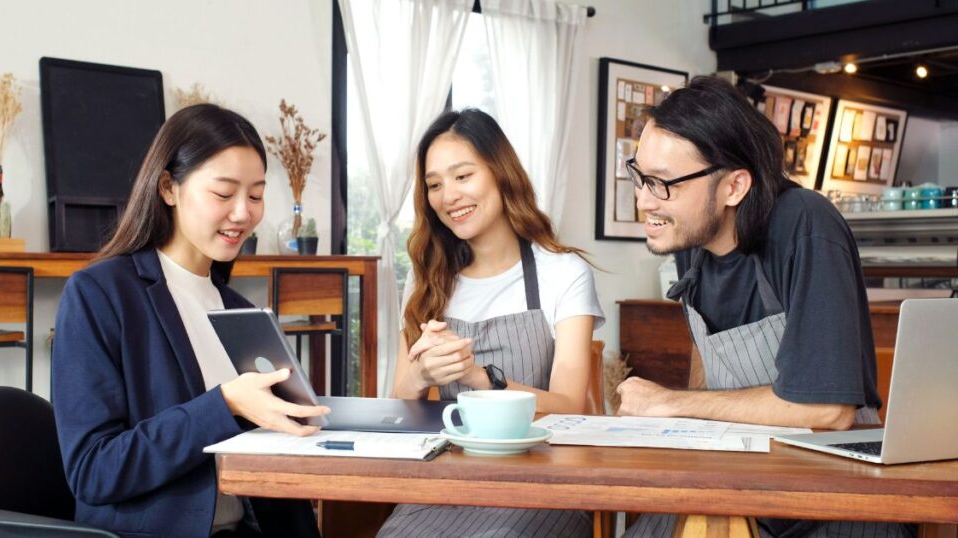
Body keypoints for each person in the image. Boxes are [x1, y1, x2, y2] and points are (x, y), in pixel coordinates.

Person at [617, 76, 914, 538]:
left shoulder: (805, 226)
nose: (644, 200)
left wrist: (672, 402)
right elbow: (707, 355)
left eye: (662, 184)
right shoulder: (689, 236)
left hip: (838, 496)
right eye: (639, 175)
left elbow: (828, 410)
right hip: (741, 478)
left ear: (734, 186)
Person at [52, 104, 329, 538]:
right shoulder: (100, 294)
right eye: (224, 194)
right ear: (169, 188)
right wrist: (225, 405)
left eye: (255, 196)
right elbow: (94, 470)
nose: (243, 213)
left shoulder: (238, 310)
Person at [377, 108, 605, 538]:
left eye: (463, 176)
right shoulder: (427, 277)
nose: (449, 196)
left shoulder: (563, 272)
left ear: (500, 172)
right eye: (434, 185)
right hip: (445, 478)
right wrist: (420, 374)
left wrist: (478, 377)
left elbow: (571, 404)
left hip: (542, 480)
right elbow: (398, 403)